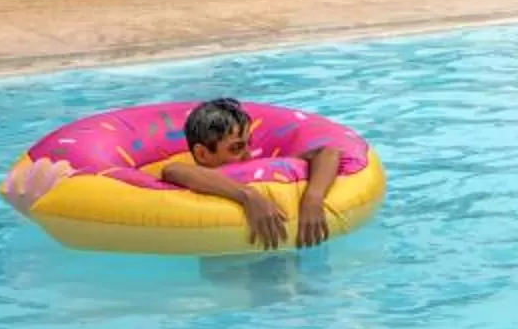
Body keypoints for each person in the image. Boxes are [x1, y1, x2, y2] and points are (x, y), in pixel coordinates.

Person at [152, 97, 366, 250]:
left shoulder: (265, 169)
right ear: (202, 153)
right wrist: (248, 196)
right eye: (236, 148)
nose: (247, 155)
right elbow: (173, 171)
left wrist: (313, 197)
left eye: (248, 145)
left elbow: (328, 153)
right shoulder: (196, 176)